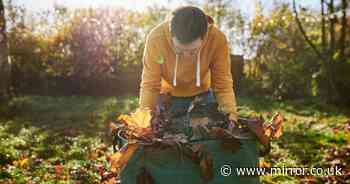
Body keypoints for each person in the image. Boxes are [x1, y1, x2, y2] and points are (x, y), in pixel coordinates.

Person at [139, 6, 238, 125]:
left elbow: (223, 86)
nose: (186, 56)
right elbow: (150, 85)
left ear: (205, 36)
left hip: (202, 97)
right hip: (167, 98)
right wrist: (144, 121)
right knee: (164, 133)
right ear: (171, 34)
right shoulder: (156, 39)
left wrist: (231, 117)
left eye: (193, 52)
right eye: (179, 51)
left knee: (208, 132)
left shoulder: (217, 39)